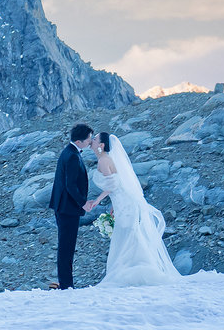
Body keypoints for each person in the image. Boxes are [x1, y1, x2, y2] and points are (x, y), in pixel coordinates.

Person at [91, 131, 180, 286]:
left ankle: (134, 270)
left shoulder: (104, 161)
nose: (92, 141)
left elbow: (113, 185)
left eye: (95, 139)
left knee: (127, 234)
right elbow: (118, 183)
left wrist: (97, 200)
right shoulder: (106, 159)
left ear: (101, 145)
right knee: (129, 234)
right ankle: (134, 267)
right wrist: (113, 205)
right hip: (122, 202)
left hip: (124, 204)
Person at [49, 123, 95, 289]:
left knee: (66, 245)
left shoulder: (69, 152)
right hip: (67, 208)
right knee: (66, 246)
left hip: (63, 206)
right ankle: (66, 284)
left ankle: (65, 282)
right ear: (79, 141)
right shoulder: (73, 156)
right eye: (88, 139)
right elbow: (71, 185)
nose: (90, 142)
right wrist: (84, 203)